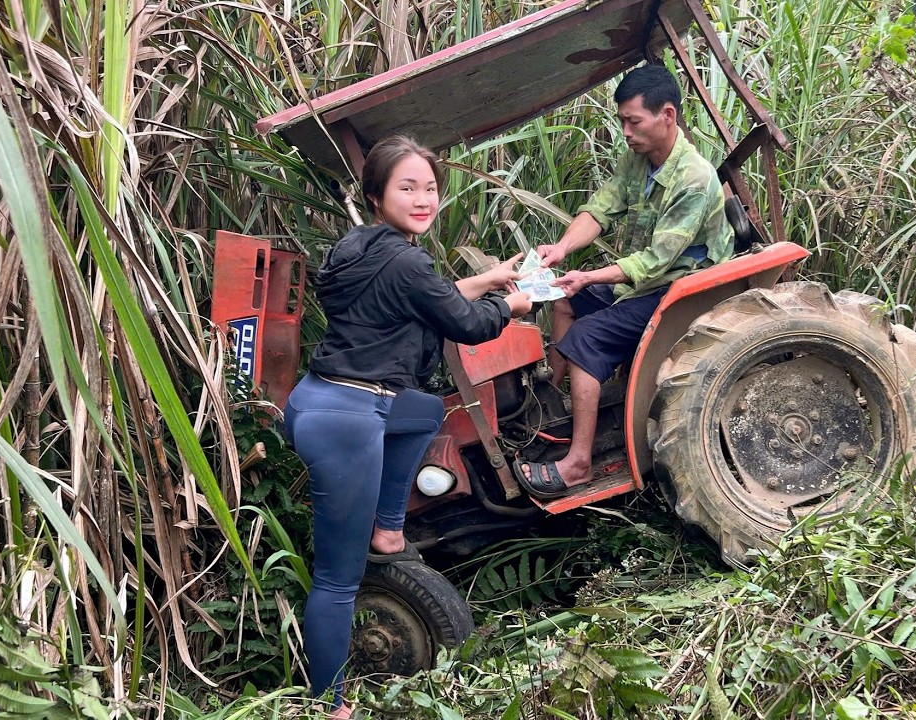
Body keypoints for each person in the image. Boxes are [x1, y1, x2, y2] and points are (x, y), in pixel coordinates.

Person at [281, 135, 532, 719]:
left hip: (312, 400)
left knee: (423, 411)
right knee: (337, 582)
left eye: (431, 188)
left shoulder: (357, 248)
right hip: (348, 419)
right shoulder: (410, 260)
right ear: (376, 194)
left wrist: (486, 279)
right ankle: (331, 706)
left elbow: (424, 300)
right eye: (408, 188)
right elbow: (466, 325)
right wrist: (511, 308)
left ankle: (389, 531)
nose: (424, 199)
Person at [513, 64, 734, 499]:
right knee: (564, 301)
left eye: (634, 122)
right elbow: (599, 210)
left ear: (667, 115)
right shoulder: (637, 160)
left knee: (588, 339)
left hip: (682, 292)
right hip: (646, 285)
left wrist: (589, 275)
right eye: (623, 122)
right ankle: (550, 406)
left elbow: (655, 261)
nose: (627, 132)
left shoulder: (693, 179)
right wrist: (561, 250)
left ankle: (577, 464)